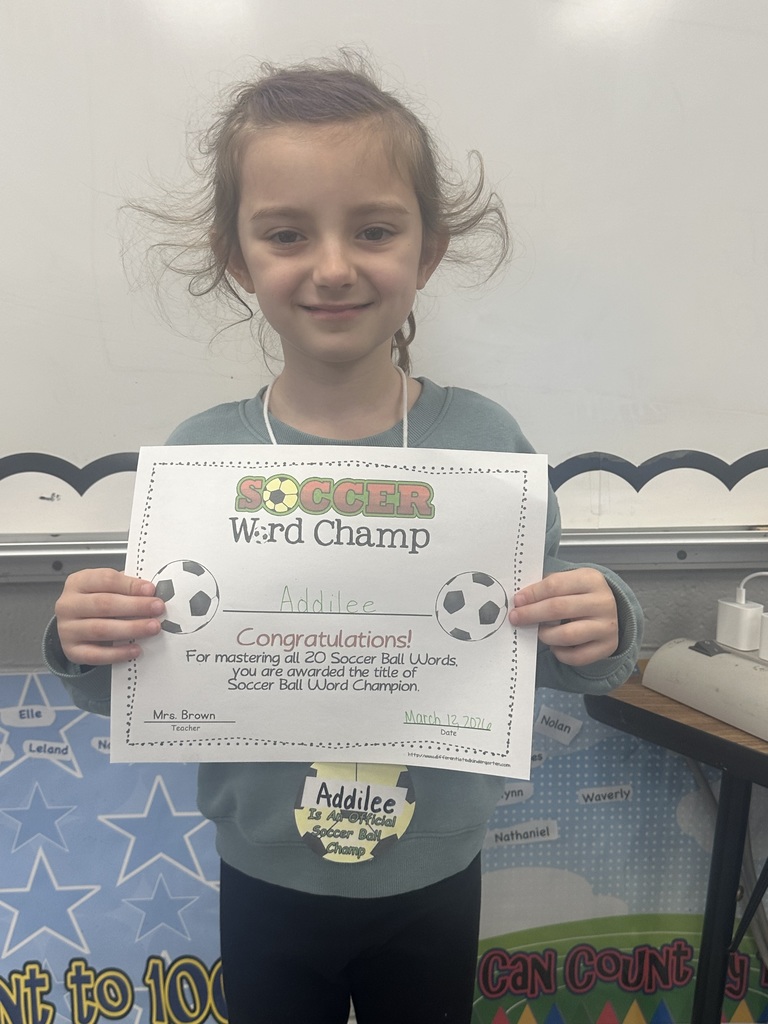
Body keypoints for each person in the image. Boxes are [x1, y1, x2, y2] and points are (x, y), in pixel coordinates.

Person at [45, 54, 643, 1024]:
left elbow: (559, 653)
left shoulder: (487, 445)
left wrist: (606, 614)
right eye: (287, 233)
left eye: (372, 229)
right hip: (264, 870)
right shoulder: (203, 462)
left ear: (428, 249)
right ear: (238, 257)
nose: (331, 265)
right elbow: (135, 671)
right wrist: (81, 638)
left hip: (437, 866)